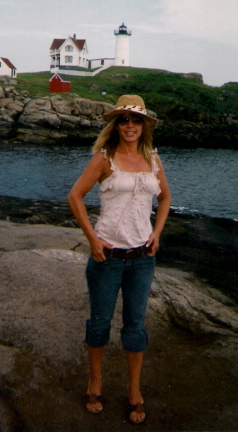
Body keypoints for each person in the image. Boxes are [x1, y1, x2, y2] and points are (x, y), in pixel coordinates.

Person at [68, 94, 171, 424]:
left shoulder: (153, 159)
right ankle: (95, 381)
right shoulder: (104, 158)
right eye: (124, 119)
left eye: (136, 119)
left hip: (143, 258)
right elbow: (75, 196)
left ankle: (134, 389)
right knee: (99, 323)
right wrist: (92, 238)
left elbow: (165, 196)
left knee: (135, 326)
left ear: (144, 126)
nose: (130, 125)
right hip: (108, 256)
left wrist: (157, 232)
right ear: (116, 124)